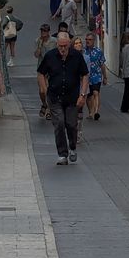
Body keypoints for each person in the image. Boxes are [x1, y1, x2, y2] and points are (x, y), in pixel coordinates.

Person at [37, 30, 89, 165]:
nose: (63, 49)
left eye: (65, 46)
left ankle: (72, 147)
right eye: (60, 46)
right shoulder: (50, 56)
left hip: (72, 98)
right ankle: (62, 154)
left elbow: (85, 75)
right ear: (57, 45)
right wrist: (44, 89)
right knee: (59, 123)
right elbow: (41, 73)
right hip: (55, 97)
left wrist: (83, 95)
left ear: (69, 44)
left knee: (71, 124)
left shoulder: (77, 56)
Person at [33, 25, 57, 118]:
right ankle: (44, 104)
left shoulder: (54, 41)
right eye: (42, 31)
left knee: (48, 90)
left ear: (48, 32)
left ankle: (49, 110)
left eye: (45, 31)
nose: (43, 33)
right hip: (41, 68)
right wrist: (40, 45)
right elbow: (36, 55)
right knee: (42, 91)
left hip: (52, 68)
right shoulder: (38, 40)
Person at [85, 33, 107, 120]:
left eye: (90, 40)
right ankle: (90, 112)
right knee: (88, 96)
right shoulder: (83, 51)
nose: (88, 41)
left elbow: (102, 65)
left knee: (96, 93)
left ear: (93, 41)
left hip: (96, 76)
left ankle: (96, 112)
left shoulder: (98, 51)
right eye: (86, 39)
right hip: (86, 77)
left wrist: (105, 77)